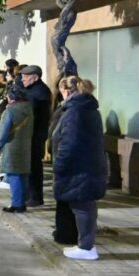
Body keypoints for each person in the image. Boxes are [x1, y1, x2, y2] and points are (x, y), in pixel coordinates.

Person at [53, 76, 107, 260]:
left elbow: (69, 142)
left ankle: (86, 247)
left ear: (67, 91)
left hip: (79, 167)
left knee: (82, 207)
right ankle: (85, 245)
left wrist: (59, 165)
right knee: (85, 206)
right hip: (87, 164)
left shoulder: (75, 111)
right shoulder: (88, 108)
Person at [0, 85, 33, 213]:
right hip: (25, 144)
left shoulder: (10, 111)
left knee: (13, 173)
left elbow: (3, 131)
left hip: (12, 145)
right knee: (23, 173)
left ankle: (17, 203)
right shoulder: (29, 109)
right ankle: (23, 200)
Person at [21, 65, 52, 208]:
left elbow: (31, 110)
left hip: (36, 133)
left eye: (26, 77)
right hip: (32, 133)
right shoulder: (33, 90)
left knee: (34, 166)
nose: (23, 80)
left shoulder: (40, 92)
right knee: (30, 165)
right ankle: (30, 195)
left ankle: (36, 196)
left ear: (35, 77)